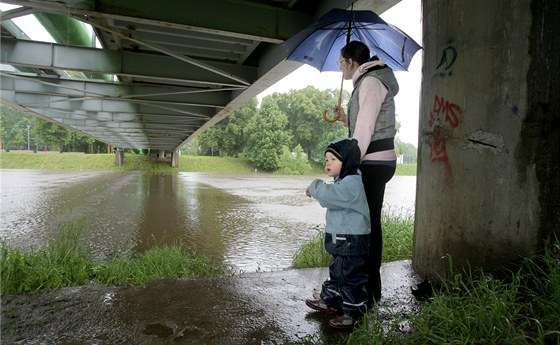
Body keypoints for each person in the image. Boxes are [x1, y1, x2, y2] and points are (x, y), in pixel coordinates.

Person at [333, 41, 399, 306]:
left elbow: (366, 128)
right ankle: (368, 285)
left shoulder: (370, 82)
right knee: (368, 221)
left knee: (367, 224)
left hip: (373, 162)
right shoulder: (368, 80)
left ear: (350, 62)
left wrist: (349, 164)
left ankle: (368, 288)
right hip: (377, 161)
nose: (340, 67)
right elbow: (365, 122)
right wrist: (345, 119)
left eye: (341, 62)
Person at [305, 138, 371, 329]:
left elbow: (328, 196)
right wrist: (318, 192)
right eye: (326, 159)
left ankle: (353, 312)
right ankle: (329, 300)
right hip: (343, 240)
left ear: (348, 161)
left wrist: (314, 187)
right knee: (337, 272)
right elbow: (331, 197)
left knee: (349, 276)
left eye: (333, 159)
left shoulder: (352, 183)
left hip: (351, 241)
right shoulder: (344, 182)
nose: (328, 163)